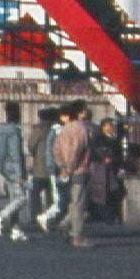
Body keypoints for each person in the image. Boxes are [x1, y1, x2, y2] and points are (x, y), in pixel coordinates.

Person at [52, 99, 92, 248]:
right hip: (79, 169)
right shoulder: (81, 129)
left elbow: (56, 150)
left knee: (74, 202)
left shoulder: (64, 129)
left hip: (66, 169)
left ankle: (66, 224)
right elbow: (77, 150)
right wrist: (70, 167)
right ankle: (77, 235)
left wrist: (62, 167)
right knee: (79, 203)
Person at [0, 102, 30, 242]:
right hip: (14, 168)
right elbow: (16, 153)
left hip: (4, 167)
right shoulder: (14, 131)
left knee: (13, 198)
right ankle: (0, 217)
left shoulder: (0, 130)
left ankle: (16, 229)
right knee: (22, 197)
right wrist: (19, 175)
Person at [37, 104, 71, 233]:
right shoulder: (58, 130)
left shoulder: (53, 130)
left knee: (60, 196)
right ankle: (47, 216)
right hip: (59, 168)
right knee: (62, 197)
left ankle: (51, 218)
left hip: (54, 167)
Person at [89, 117, 125, 223]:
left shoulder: (115, 140)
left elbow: (119, 155)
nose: (111, 127)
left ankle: (113, 216)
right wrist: (103, 158)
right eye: (109, 125)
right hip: (101, 171)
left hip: (113, 170)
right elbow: (94, 153)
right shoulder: (98, 139)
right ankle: (101, 216)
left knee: (114, 193)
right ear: (103, 127)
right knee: (101, 194)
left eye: (112, 125)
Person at [26, 107, 55, 223]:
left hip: (40, 166)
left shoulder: (39, 129)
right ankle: (50, 216)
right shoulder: (56, 129)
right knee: (51, 193)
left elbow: (31, 146)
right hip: (54, 166)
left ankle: (35, 216)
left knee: (35, 193)